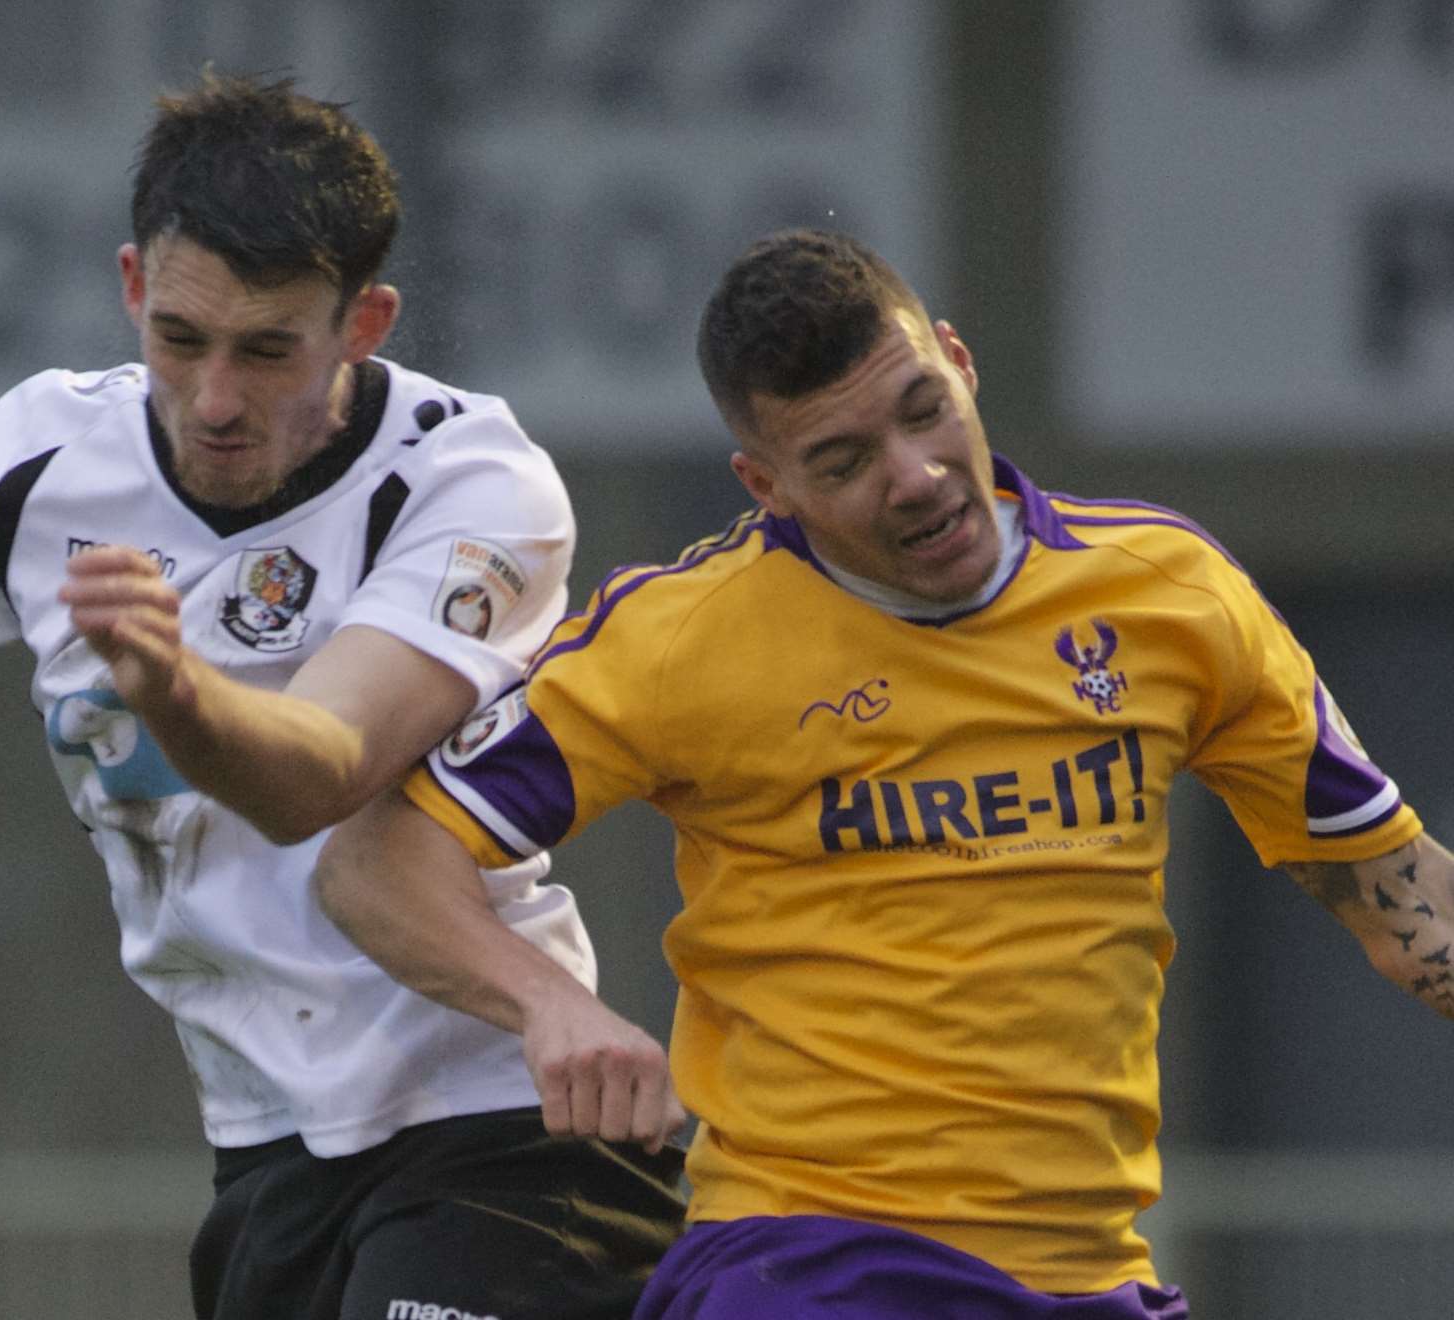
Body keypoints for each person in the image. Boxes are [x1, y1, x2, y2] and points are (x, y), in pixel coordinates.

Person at [0, 72, 686, 1320]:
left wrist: (172, 685)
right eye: (181, 339)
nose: (214, 400)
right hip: (266, 1151)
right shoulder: (23, 473)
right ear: (135, 286)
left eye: (267, 351)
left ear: (365, 322)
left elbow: (322, 773)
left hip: (502, 1128)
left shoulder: (469, 484)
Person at [313, 227, 1454, 1319]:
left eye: (924, 411)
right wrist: (547, 1002)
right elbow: (375, 861)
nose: (912, 477)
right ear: (766, 486)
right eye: (843, 461)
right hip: (812, 1262)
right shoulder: (682, 643)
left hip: (1085, 1270)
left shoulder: (1172, 600)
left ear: (958, 361)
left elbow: (1401, 905)